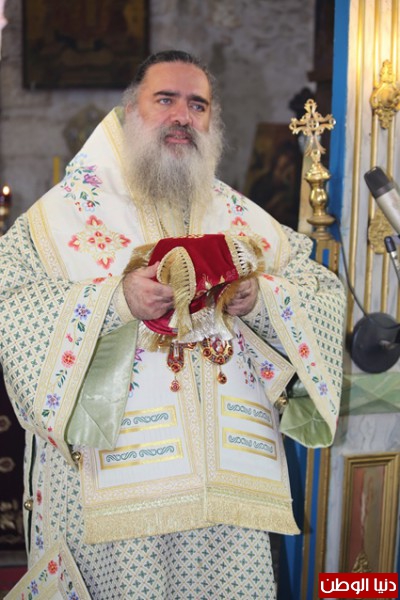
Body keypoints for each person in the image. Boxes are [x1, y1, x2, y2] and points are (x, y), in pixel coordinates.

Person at [0, 50, 345, 599]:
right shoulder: (64, 215)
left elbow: (321, 292)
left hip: (226, 492)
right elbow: (11, 298)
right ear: (130, 112)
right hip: (116, 490)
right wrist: (117, 301)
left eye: (197, 104)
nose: (182, 115)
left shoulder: (238, 215)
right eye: (165, 99)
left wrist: (261, 298)